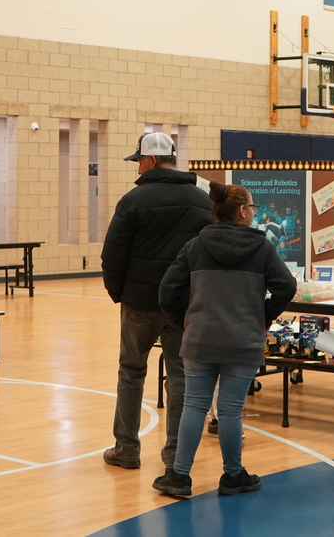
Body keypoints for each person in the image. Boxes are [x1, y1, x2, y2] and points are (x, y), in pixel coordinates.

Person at [153, 183, 296, 498]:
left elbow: (167, 292)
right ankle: (233, 477)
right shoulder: (262, 248)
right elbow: (286, 286)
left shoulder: (195, 245)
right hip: (243, 341)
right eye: (253, 208)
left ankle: (178, 476)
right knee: (230, 410)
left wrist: (184, 321)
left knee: (194, 405)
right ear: (243, 211)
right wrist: (264, 317)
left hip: (200, 338)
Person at [100, 133, 212, 479]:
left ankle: (127, 449)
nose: (137, 167)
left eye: (138, 161)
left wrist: (120, 293)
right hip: (184, 304)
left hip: (140, 302)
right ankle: (175, 455)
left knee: (131, 372)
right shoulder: (202, 200)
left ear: (149, 161)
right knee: (180, 375)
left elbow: (112, 255)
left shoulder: (133, 200)